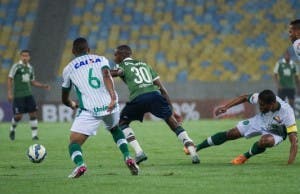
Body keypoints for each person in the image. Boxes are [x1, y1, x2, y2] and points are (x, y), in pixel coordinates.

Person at [61, 38, 139, 178]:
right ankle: (127, 156)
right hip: (110, 104)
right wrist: (113, 97)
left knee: (74, 143)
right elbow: (106, 74)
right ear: (89, 50)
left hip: (90, 108)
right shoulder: (101, 59)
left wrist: (72, 104)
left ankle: (80, 165)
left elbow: (64, 97)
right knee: (115, 129)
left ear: (73, 51)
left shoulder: (68, 69)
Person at [110, 45, 200, 165]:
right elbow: (162, 89)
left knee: (122, 123)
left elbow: (116, 73)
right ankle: (192, 150)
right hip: (154, 95)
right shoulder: (145, 65)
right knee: (171, 121)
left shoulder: (122, 65)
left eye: (115, 55)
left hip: (138, 97)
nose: (114, 57)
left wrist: (103, 71)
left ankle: (139, 152)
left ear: (121, 55)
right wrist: (172, 110)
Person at [184, 90, 298, 165]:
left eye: (263, 105)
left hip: (276, 131)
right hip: (260, 121)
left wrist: (289, 164)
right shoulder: (262, 97)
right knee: (231, 133)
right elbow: (244, 97)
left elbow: (294, 142)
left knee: (265, 141)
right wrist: (226, 107)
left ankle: (244, 157)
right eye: (259, 104)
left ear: (272, 104)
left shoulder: (287, 113)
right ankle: (197, 147)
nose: (260, 107)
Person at [7, 49, 50, 141]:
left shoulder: (30, 68)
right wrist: (9, 93)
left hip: (29, 94)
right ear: (20, 56)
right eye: (23, 55)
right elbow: (10, 78)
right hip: (18, 95)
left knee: (33, 114)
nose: (25, 57)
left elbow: (32, 82)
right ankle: (12, 129)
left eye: (26, 56)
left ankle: (34, 135)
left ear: (29, 57)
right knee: (18, 116)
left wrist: (43, 85)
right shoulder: (16, 66)